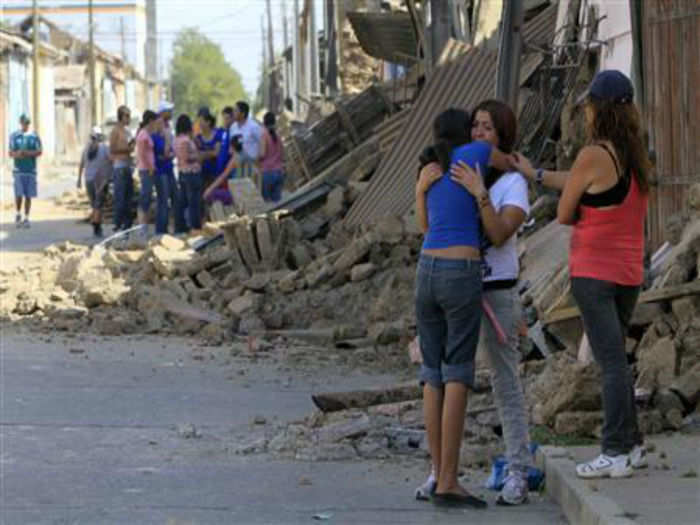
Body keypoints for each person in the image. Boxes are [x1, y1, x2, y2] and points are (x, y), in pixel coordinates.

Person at [511, 70, 650, 479]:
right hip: (627, 273)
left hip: (594, 272)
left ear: (597, 109)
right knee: (618, 360)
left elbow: (565, 211)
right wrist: (534, 173)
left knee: (609, 363)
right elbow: (586, 185)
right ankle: (634, 444)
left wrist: (571, 202)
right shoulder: (637, 153)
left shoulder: (592, 154)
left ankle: (614, 451)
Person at [414, 108, 513, 509]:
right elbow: (507, 160)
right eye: (473, 125)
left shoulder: (428, 169)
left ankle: (438, 472)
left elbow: (423, 227)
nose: (478, 130)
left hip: (426, 270)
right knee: (457, 373)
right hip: (460, 271)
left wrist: (420, 191)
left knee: (431, 375)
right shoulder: (472, 154)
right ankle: (450, 482)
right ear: (464, 132)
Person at [9, 114, 42, 228]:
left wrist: (27, 153)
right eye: (24, 123)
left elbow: (39, 151)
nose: (26, 125)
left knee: (28, 195)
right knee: (19, 194)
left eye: (27, 123)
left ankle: (27, 217)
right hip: (18, 170)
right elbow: (11, 152)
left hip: (30, 170)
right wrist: (18, 154)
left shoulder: (34, 136)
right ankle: (18, 213)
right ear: (20, 123)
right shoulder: (15, 136)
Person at [77, 127, 111, 238]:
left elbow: (81, 164)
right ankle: (96, 226)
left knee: (94, 204)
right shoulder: (104, 148)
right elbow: (111, 160)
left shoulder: (86, 148)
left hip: (88, 180)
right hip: (100, 181)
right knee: (98, 205)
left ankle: (97, 226)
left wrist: (79, 179)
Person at [174, 114, 203, 234]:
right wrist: (197, 157)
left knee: (184, 201)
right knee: (193, 202)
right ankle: (195, 227)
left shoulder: (177, 139)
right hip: (191, 173)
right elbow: (186, 157)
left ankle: (181, 226)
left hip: (183, 173)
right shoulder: (185, 140)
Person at [109, 105, 135, 231]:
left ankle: (127, 223)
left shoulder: (127, 131)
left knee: (128, 197)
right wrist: (127, 149)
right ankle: (118, 223)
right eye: (127, 116)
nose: (129, 119)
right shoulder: (115, 131)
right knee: (120, 196)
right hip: (119, 166)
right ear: (121, 117)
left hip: (127, 166)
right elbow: (112, 149)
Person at [135, 110, 159, 229]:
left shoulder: (145, 134)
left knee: (148, 197)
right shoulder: (143, 135)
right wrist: (150, 167)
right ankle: (142, 225)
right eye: (154, 121)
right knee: (145, 197)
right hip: (146, 169)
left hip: (147, 169)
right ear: (150, 121)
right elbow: (143, 154)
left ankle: (144, 224)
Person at [229, 100, 262, 179]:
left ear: (243, 114)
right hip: (237, 168)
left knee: (251, 191)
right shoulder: (233, 127)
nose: (233, 113)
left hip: (252, 167)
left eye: (236, 110)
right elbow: (231, 146)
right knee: (236, 190)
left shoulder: (254, 127)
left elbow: (262, 144)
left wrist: (257, 163)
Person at [258, 112, 285, 202]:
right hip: (279, 172)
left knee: (267, 204)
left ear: (264, 122)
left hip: (267, 173)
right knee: (277, 205)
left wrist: (256, 158)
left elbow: (262, 154)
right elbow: (282, 153)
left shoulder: (264, 135)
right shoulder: (278, 136)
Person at [195, 113, 222, 191]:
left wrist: (203, 154)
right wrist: (209, 153)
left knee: (213, 196)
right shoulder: (198, 137)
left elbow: (217, 153)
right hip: (201, 173)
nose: (199, 124)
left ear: (208, 122)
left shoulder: (217, 135)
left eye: (201, 121)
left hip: (215, 173)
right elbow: (197, 156)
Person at [216, 106, 235, 178]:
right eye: (224, 118)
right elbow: (217, 150)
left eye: (227, 118)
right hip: (219, 169)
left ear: (233, 118)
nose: (225, 120)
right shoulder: (219, 131)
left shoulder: (235, 132)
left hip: (230, 169)